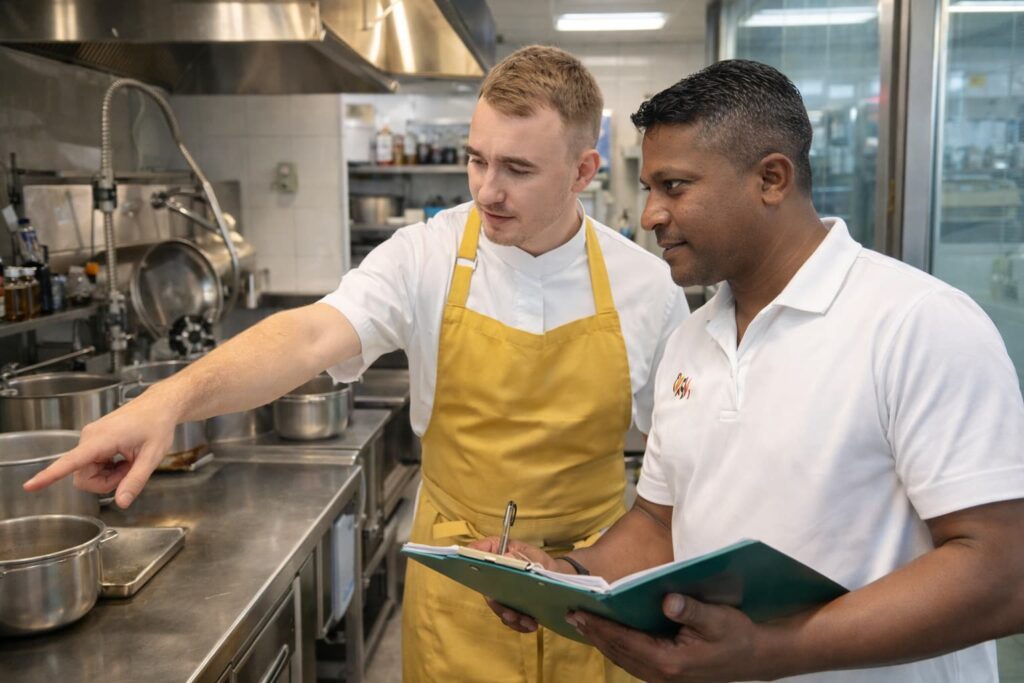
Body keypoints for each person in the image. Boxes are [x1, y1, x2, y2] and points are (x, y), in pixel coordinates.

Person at [24, 46, 687, 681]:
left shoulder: (646, 287)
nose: (488, 189)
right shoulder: (423, 256)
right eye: (476, 160)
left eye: (517, 169)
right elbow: (309, 335)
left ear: (582, 170)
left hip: (593, 591)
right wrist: (168, 399)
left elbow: (681, 475)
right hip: (460, 585)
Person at [477, 59, 1024, 682]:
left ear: (771, 179)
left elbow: (1003, 572)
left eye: (675, 187)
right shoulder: (692, 339)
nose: (650, 214)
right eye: (650, 189)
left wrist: (771, 653)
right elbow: (660, 523)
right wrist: (569, 575)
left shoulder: (917, 323)